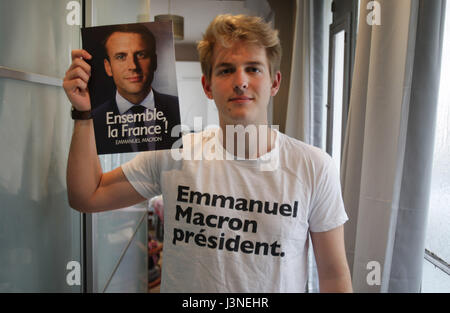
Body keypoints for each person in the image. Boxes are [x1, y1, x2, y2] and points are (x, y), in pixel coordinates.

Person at [63, 14, 352, 293]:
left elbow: (333, 275)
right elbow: (86, 195)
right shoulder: (173, 152)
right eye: (226, 70)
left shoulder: (314, 167)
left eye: (253, 68)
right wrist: (84, 113)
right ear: (207, 86)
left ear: (274, 82)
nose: (241, 81)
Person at [90, 24, 180, 153]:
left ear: (154, 62)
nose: (133, 66)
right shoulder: (93, 120)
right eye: (121, 57)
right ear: (108, 67)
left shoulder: (177, 110)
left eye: (141, 55)